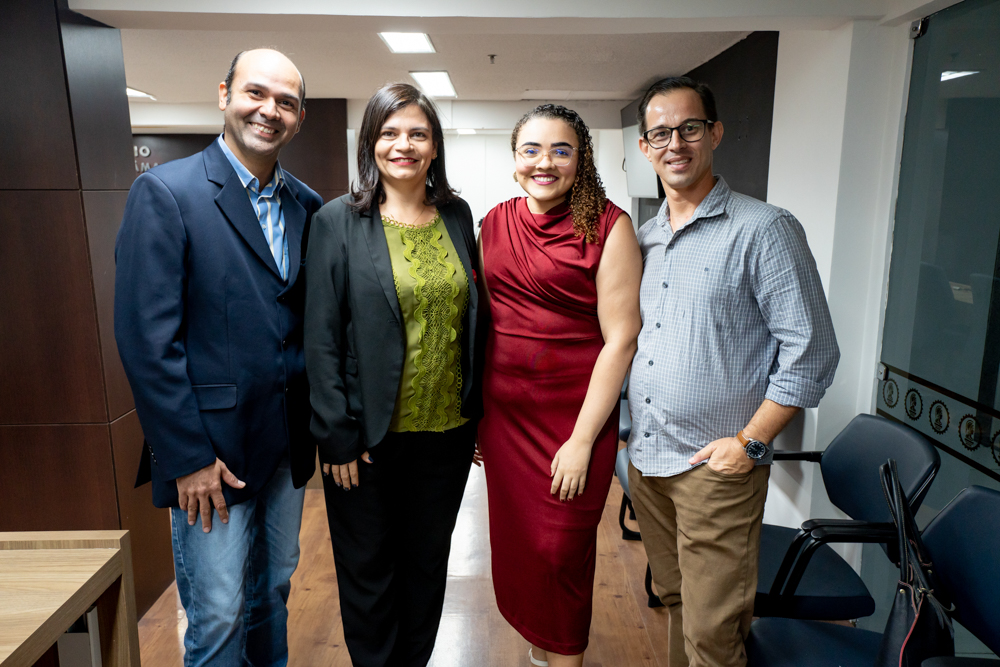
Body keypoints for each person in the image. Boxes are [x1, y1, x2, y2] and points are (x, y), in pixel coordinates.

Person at [114, 49, 322, 666]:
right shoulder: (166, 192)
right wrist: (186, 458)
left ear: (300, 117)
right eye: (256, 93)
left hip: (285, 446)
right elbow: (147, 342)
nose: (270, 110)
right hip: (211, 457)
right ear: (225, 93)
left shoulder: (306, 207)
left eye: (286, 102)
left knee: (272, 595)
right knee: (219, 614)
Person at [626, 76, 840, 667]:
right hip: (647, 461)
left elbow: (813, 352)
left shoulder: (764, 229)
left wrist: (749, 443)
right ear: (645, 146)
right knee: (674, 601)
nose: (676, 144)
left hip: (715, 470)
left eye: (689, 129)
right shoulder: (646, 241)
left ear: (714, 134)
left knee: (714, 635)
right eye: (661, 133)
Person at [304, 82, 481, 667]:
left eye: (418, 133)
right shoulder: (338, 221)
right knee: (369, 577)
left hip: (446, 438)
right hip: (365, 442)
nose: (403, 145)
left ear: (434, 148)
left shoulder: (457, 216)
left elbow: (472, 316)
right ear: (371, 143)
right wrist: (337, 436)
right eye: (389, 132)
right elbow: (322, 337)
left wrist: (475, 409)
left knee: (427, 572)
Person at [478, 104, 642, 667]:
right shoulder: (494, 222)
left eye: (561, 150)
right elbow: (484, 319)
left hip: (576, 422)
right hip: (503, 422)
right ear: (515, 159)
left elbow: (621, 340)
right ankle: (540, 652)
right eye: (531, 150)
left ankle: (563, 656)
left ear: (582, 159)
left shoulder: (608, 226)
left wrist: (580, 440)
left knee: (559, 554)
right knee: (524, 550)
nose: (544, 162)